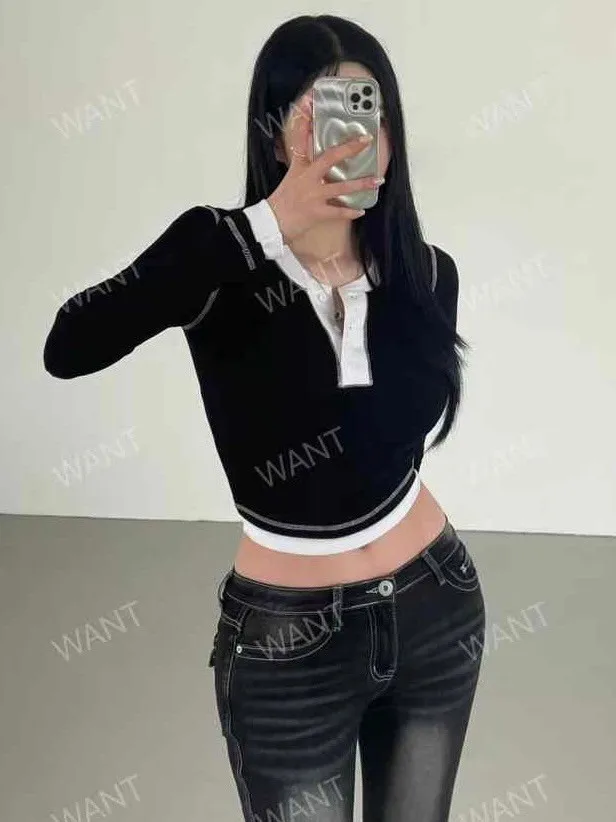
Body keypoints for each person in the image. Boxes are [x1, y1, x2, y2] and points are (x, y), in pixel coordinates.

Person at [43, 14, 486, 822]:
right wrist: (270, 224)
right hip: (288, 645)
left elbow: (385, 452)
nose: (351, 137)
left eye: (368, 110)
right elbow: (69, 346)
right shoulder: (218, 255)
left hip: (436, 601)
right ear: (276, 133)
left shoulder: (425, 273)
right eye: (321, 114)